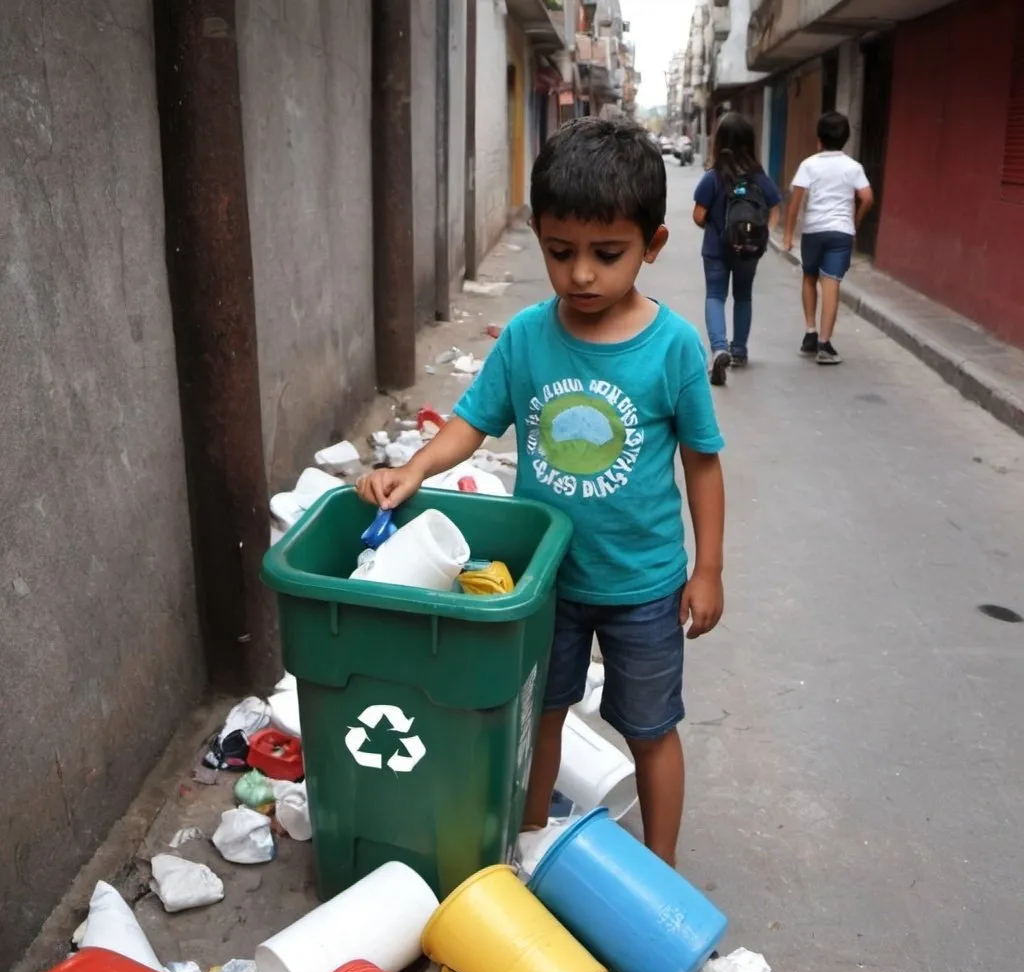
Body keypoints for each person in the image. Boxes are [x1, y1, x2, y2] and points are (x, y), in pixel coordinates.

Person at [357, 117, 726, 867]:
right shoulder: (527, 337)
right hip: (547, 581)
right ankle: (529, 847)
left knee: (650, 728)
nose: (582, 274)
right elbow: (472, 422)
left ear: (652, 246)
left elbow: (702, 460)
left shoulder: (675, 347)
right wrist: (414, 470)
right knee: (541, 715)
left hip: (645, 584)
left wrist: (708, 567)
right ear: (540, 240)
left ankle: (663, 869)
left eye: (607, 254)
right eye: (562, 253)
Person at [692, 112, 782, 385]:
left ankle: (719, 348)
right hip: (748, 249)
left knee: (716, 296)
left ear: (719, 142)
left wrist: (715, 226)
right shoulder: (759, 178)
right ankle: (740, 351)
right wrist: (763, 231)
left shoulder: (713, 177)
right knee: (743, 296)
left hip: (716, 249)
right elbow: (775, 207)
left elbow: (698, 215)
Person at [783, 111, 874, 365]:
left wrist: (789, 234)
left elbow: (795, 202)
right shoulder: (853, 167)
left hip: (813, 231)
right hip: (840, 232)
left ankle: (810, 334)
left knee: (809, 278)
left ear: (819, 139)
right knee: (831, 282)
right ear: (845, 138)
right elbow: (867, 197)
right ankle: (825, 344)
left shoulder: (809, 164)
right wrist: (854, 221)